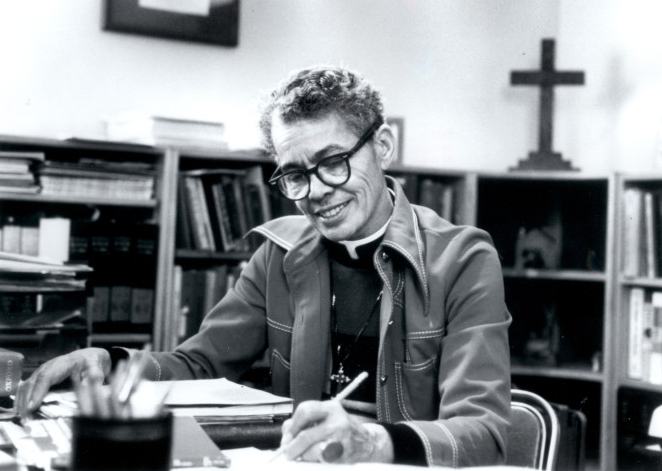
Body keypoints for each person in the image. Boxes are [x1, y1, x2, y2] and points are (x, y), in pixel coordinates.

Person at [15, 65, 511, 467]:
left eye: (334, 161)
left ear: (382, 146)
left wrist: (373, 443)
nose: (316, 192)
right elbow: (201, 365)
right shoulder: (278, 253)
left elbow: (485, 432)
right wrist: (113, 362)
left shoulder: (463, 259)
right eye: (295, 175)